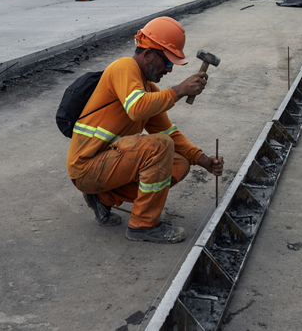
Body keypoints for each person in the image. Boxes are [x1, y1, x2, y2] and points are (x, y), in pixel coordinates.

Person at [67, 17, 224, 244]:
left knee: (178, 162)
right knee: (159, 146)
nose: (169, 69)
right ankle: (143, 225)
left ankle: (103, 197)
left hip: (105, 166)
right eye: (167, 62)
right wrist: (179, 91)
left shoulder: (148, 88)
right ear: (149, 54)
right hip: (85, 167)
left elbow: (170, 133)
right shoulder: (124, 67)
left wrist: (203, 160)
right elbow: (136, 108)